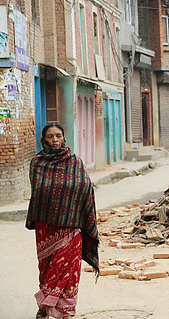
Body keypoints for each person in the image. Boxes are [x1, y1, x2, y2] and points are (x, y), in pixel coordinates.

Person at [26, 123, 99, 319]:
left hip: (72, 225)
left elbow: (85, 187)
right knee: (48, 268)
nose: (55, 140)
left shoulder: (75, 162)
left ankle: (66, 311)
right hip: (46, 227)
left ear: (64, 138)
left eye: (58, 135)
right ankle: (44, 307)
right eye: (50, 136)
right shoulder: (37, 163)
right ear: (43, 140)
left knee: (69, 270)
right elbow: (39, 192)